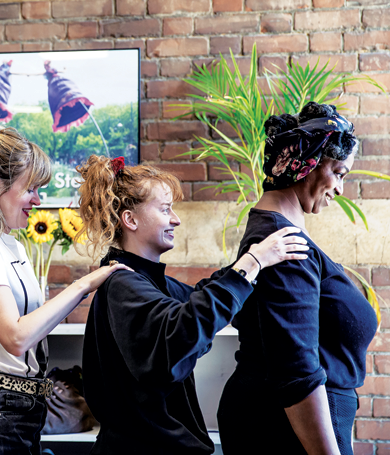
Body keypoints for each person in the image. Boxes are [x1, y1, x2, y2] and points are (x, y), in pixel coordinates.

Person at [76, 155, 310, 454]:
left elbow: (201, 298)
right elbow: (183, 330)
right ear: (130, 220)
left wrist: (253, 267)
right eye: (165, 209)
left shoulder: (151, 283)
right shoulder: (123, 284)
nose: (176, 219)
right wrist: (253, 262)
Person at [0, 113, 130, 455]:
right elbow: (15, 338)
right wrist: (83, 286)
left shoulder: (10, 243)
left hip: (21, 409)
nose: (37, 200)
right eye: (30, 189)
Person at [217, 102, 379, 455]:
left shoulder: (277, 234)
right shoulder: (284, 244)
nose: (339, 188)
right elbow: (296, 371)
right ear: (309, 163)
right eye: (339, 172)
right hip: (286, 432)